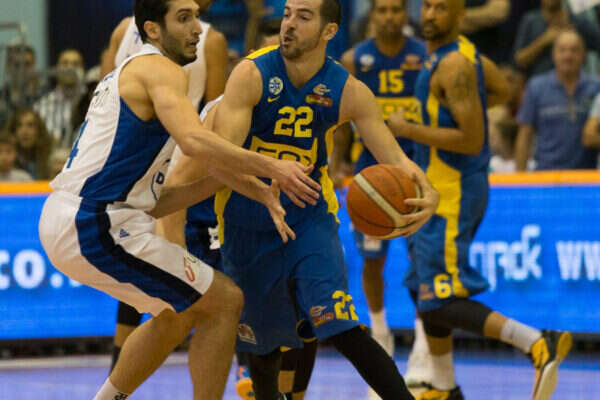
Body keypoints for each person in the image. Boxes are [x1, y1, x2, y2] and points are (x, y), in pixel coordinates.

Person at [37, 0, 322, 399]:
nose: (197, 29)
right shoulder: (160, 69)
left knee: (176, 313)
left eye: (196, 17)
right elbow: (194, 141)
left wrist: (249, 186)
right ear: (153, 29)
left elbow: (155, 200)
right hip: (93, 221)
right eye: (184, 19)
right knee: (225, 302)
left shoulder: (136, 73)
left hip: (86, 216)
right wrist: (273, 167)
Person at [210, 0, 439, 398]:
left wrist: (427, 190)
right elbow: (219, 158)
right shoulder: (251, 74)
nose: (289, 25)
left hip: (308, 216)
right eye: (287, 14)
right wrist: (264, 185)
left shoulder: (347, 90)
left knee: (341, 324)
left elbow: (396, 159)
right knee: (261, 350)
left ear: (329, 31)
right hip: (247, 216)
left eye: (303, 17)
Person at [387, 1, 572, 399]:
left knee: (437, 299)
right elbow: (502, 89)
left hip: (451, 191)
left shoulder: (455, 64)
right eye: (427, 6)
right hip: (437, 186)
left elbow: (471, 140)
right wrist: (456, 107)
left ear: (460, 15)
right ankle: (445, 386)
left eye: (441, 8)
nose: (430, 14)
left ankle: (537, 341)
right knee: (421, 286)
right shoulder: (458, 56)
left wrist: (410, 128)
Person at [99, 0, 234, 385]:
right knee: (148, 287)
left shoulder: (211, 40)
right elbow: (105, 100)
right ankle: (118, 377)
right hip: (128, 173)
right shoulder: (123, 30)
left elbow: (215, 113)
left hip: (178, 168)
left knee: (193, 293)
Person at [337, 0, 430, 393]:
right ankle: (380, 332)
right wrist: (337, 162)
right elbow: (340, 120)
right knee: (372, 261)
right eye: (383, 10)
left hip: (416, 173)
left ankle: (424, 342)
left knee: (423, 262)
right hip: (371, 179)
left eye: (396, 9)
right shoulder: (354, 59)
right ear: (372, 16)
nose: (390, 16)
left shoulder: (425, 56)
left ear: (405, 15)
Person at [515, 29, 600, 171]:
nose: (568, 56)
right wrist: (519, 178)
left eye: (574, 50)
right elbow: (524, 136)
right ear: (553, 54)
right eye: (562, 50)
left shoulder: (596, 87)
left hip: (585, 177)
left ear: (583, 55)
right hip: (546, 175)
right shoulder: (536, 87)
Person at [34, 49, 86, 147]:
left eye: (75, 64)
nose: (70, 68)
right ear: (57, 69)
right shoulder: (41, 106)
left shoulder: (93, 101)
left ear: (82, 70)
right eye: (65, 64)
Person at [5, 107, 53, 180]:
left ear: (39, 130)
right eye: (19, 125)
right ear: (13, 131)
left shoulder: (50, 157)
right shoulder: (5, 159)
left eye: (30, 125)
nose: (25, 131)